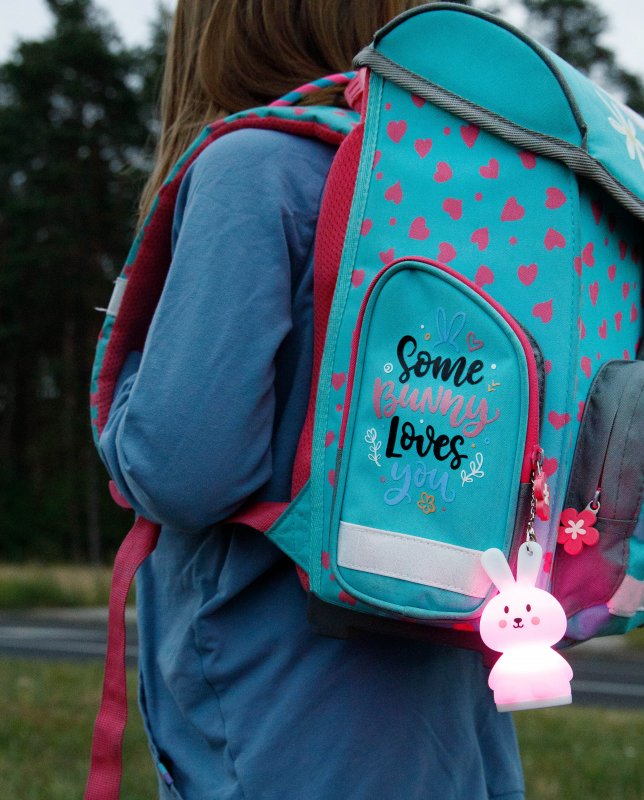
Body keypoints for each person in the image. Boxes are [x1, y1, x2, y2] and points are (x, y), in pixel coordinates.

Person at [98, 1, 526, 798]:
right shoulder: (451, 190)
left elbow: (183, 467)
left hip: (278, 721)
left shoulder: (254, 166)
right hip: (449, 723)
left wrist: (125, 384)